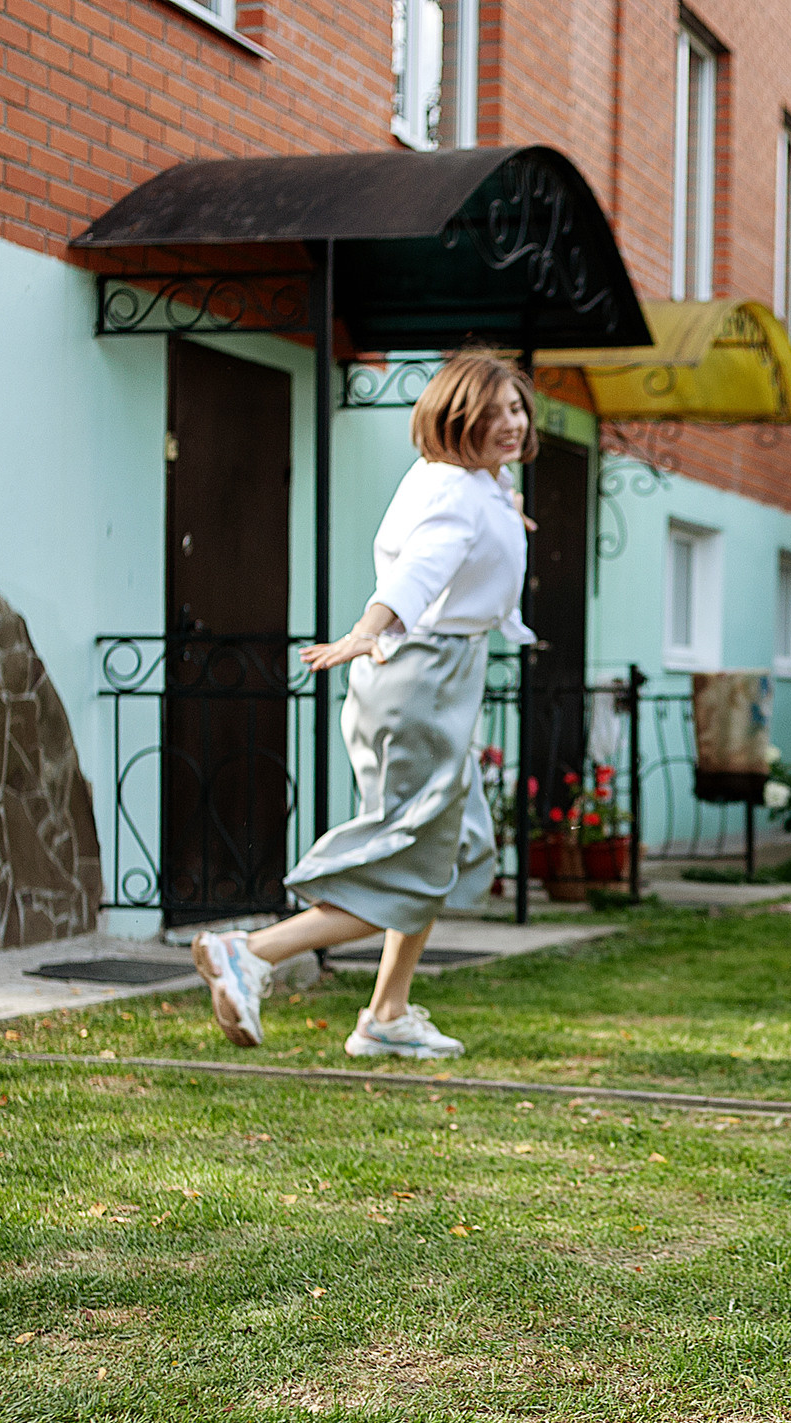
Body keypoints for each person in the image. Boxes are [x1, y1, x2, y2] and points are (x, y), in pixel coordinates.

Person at [192, 351, 538, 1060]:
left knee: (450, 846)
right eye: (495, 411)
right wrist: (367, 629)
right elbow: (422, 569)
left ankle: (387, 1011)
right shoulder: (458, 493)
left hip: (440, 677)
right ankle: (250, 951)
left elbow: (471, 540)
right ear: (457, 417)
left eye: (517, 409)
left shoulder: (477, 485)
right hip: (425, 678)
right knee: (412, 851)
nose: (513, 422)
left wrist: (509, 513)